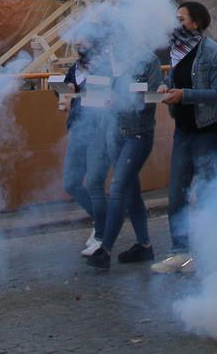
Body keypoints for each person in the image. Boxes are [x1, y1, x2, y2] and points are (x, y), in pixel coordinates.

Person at [151, 0, 217, 274]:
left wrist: (185, 95)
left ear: (195, 23)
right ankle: (180, 253)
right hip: (184, 132)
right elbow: (177, 83)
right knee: (176, 195)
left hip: (208, 133)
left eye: (181, 19)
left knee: (212, 196)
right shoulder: (177, 53)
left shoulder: (211, 52)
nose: (177, 24)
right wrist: (167, 88)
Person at [85, 46, 161, 269]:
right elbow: (96, 91)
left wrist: (123, 97)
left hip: (138, 134)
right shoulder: (109, 60)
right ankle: (144, 246)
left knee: (118, 188)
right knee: (130, 191)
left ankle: (105, 249)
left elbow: (151, 96)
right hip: (115, 131)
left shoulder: (149, 60)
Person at [58, 45, 115, 256]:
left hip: (99, 131)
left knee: (94, 183)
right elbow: (65, 89)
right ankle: (104, 220)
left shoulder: (107, 66)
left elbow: (103, 102)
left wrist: (77, 95)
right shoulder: (77, 67)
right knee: (71, 183)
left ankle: (101, 235)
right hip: (78, 129)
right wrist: (65, 93)